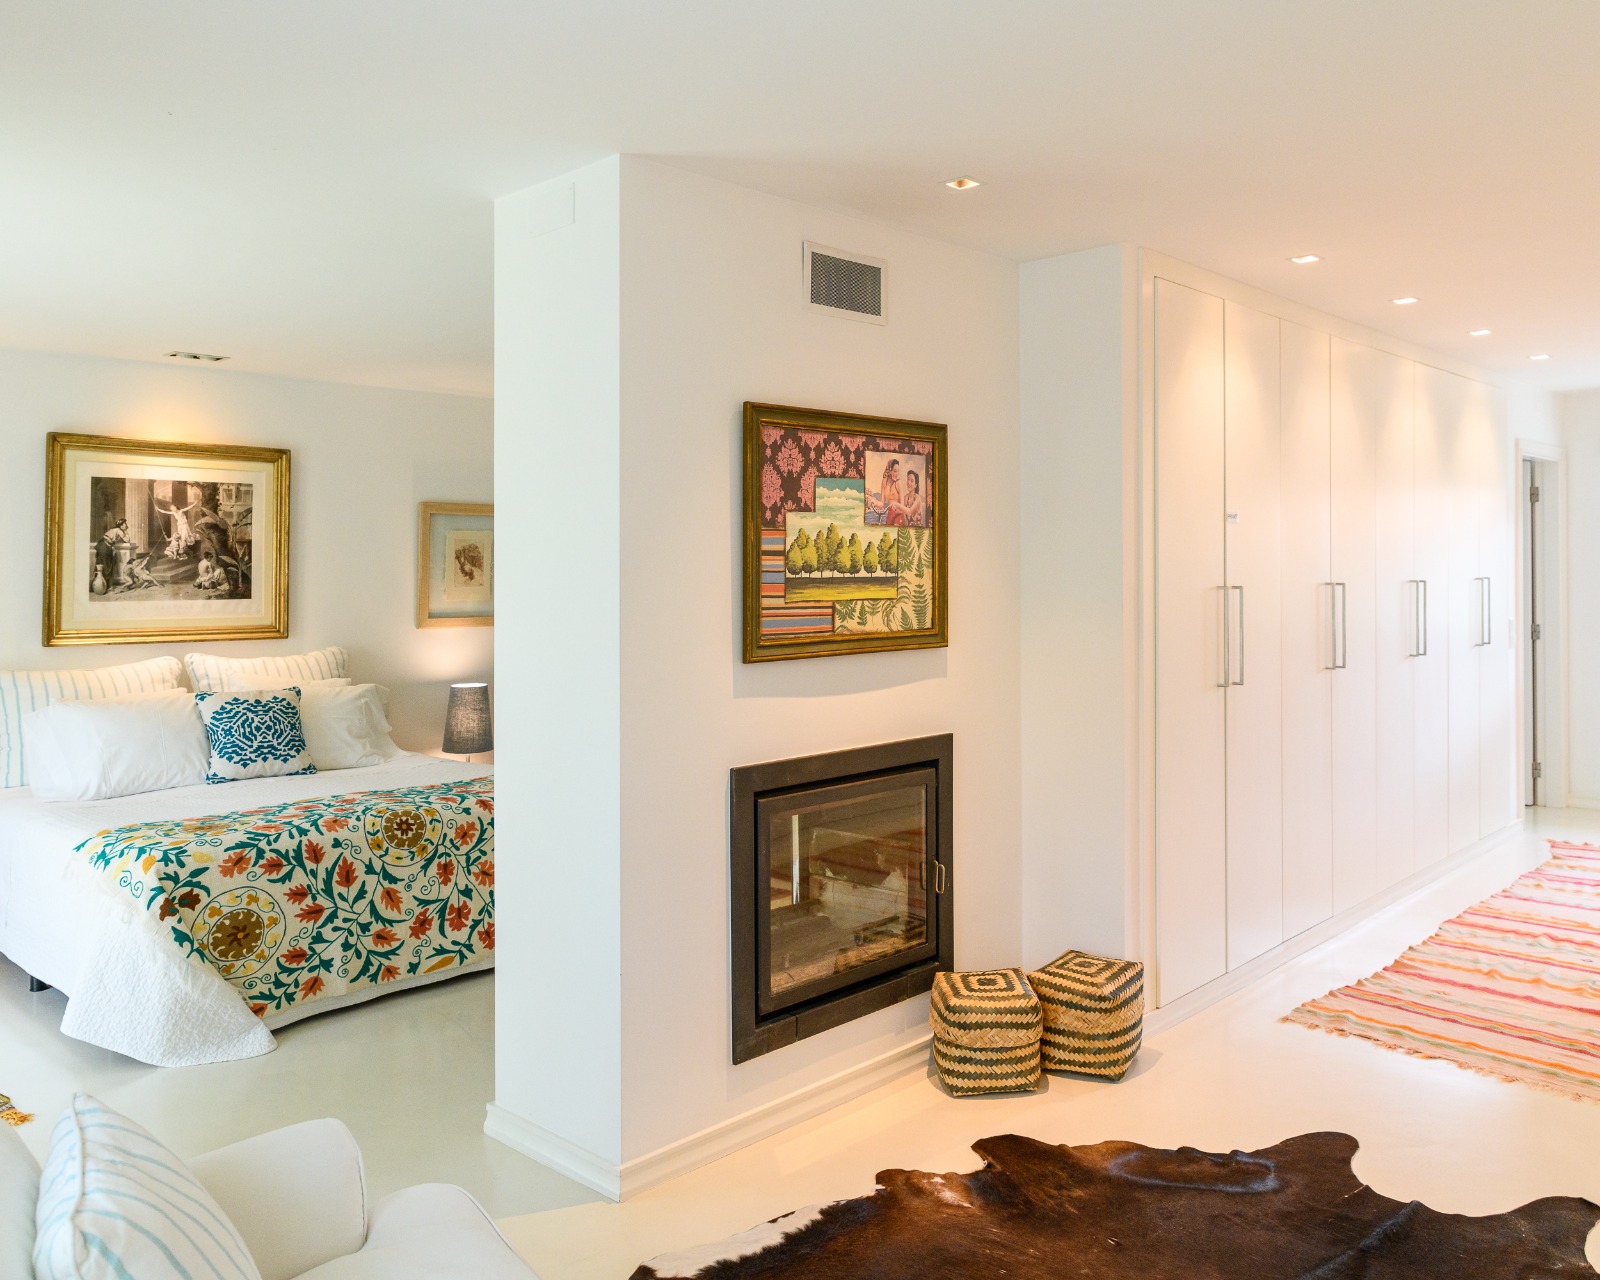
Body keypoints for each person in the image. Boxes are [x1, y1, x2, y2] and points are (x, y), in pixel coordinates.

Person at [96, 517, 131, 587]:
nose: (126, 525)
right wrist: (126, 532)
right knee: (107, 566)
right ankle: (107, 586)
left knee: (104, 565)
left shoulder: (114, 529)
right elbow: (127, 540)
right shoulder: (119, 531)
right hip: (104, 547)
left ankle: (104, 585)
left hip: (102, 545)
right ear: (121, 526)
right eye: (124, 524)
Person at [865, 458, 901, 524]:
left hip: (898, 515)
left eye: (898, 471)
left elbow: (903, 506)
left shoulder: (898, 483)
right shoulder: (884, 481)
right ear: (889, 470)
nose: (897, 474)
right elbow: (882, 504)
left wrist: (896, 506)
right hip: (890, 515)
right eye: (895, 471)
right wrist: (874, 502)